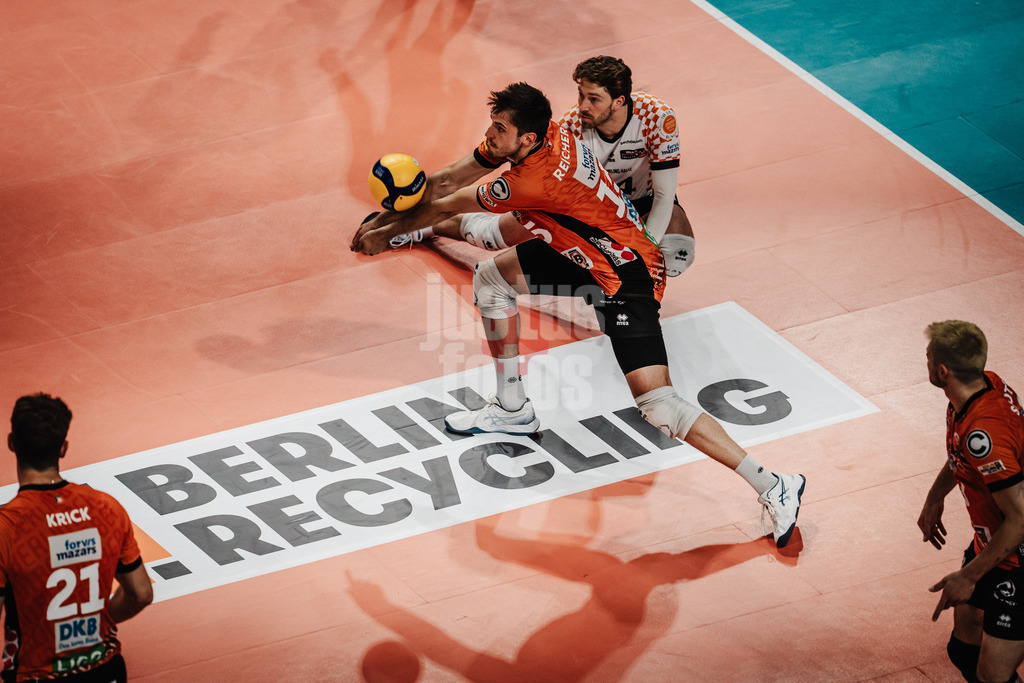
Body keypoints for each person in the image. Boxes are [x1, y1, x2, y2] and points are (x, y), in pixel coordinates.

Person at [352, 81, 804, 547]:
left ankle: (774, 483)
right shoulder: (546, 134)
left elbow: (447, 201)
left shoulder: (530, 180)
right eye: (493, 124)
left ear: (527, 138)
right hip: (584, 250)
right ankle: (512, 410)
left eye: (499, 128)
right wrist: (392, 219)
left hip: (626, 275)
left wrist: (386, 228)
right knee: (491, 278)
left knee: (659, 405)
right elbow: (448, 179)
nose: (490, 134)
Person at [389, 56, 696, 278]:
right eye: (580, 95)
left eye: (593, 99)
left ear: (619, 101)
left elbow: (664, 195)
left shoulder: (656, 117)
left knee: (675, 257)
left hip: (641, 201)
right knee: (490, 237)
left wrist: (643, 250)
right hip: (581, 208)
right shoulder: (570, 128)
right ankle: (428, 227)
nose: (582, 106)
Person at [0, 394, 153, 682]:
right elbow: (141, 593)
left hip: (35, 675)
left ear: (11, 443)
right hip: (106, 670)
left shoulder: (6, 527)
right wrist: (94, 621)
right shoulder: (107, 507)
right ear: (63, 448)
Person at [918, 321, 1024, 683]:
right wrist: (935, 497)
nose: (925, 360)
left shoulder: (984, 433)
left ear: (942, 371)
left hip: (1019, 558)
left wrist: (968, 576)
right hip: (990, 542)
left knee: (993, 676)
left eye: (928, 356)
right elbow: (961, 454)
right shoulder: (979, 388)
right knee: (963, 649)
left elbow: (1020, 520)